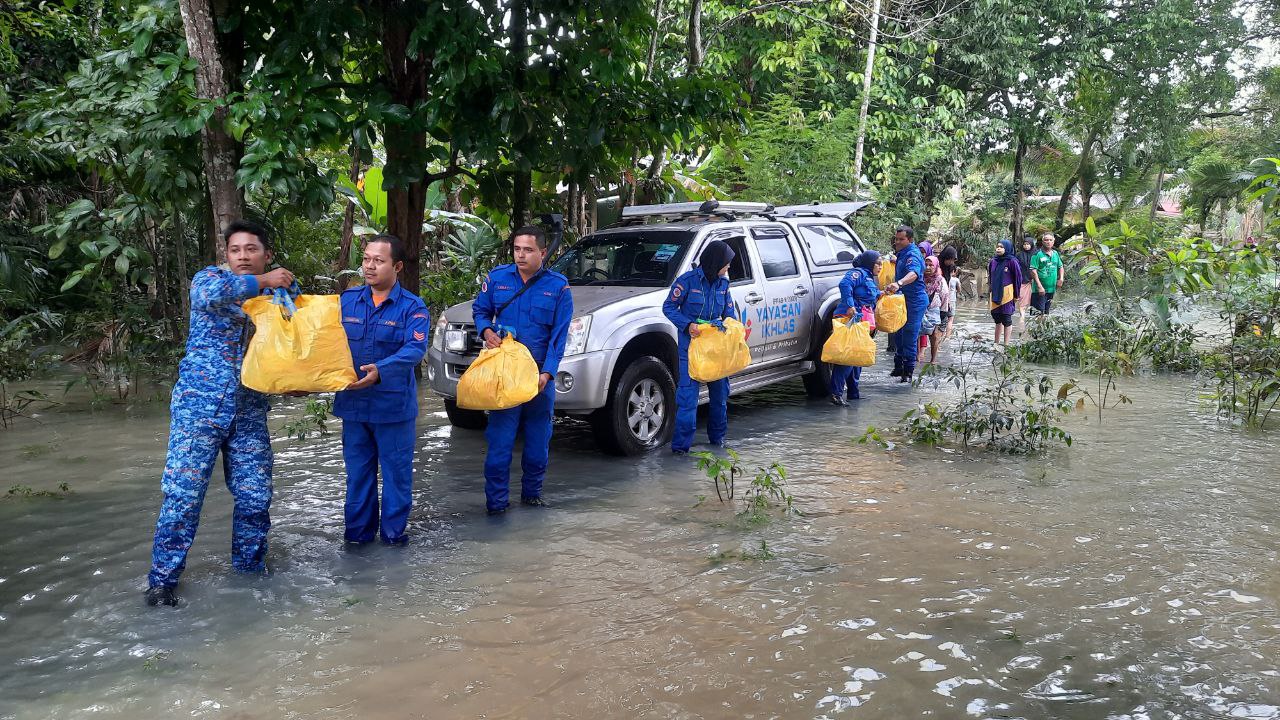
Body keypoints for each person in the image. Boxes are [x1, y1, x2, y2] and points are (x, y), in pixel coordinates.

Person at [145, 220, 296, 607]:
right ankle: (162, 581)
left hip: (248, 412)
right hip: (199, 410)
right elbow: (212, 294)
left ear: (267, 254)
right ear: (226, 255)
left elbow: (295, 342)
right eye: (235, 250)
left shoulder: (280, 295)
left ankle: (249, 577)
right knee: (182, 498)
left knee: (255, 497)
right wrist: (265, 282)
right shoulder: (210, 280)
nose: (243, 257)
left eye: (251, 250)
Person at [334, 235, 430, 545]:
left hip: (393, 410)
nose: (370, 266)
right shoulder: (346, 301)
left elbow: (415, 349)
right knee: (358, 478)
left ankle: (393, 542)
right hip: (354, 408)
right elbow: (324, 346)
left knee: (396, 478)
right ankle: (357, 544)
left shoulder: (412, 307)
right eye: (366, 259)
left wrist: (381, 371)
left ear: (397, 266)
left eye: (379, 260)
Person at [474, 226, 573, 515]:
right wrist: (486, 330)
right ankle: (496, 505)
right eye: (517, 249)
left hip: (539, 377)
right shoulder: (497, 279)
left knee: (538, 442)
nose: (521, 255)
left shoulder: (559, 286)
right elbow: (481, 311)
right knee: (499, 443)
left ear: (543, 252)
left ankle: (532, 496)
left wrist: (548, 373)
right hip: (505, 374)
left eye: (528, 250)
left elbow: (559, 336)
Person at [664, 240, 737, 453]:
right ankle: (680, 450)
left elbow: (729, 314)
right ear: (716, 262)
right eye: (727, 262)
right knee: (687, 401)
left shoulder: (724, 284)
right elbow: (668, 307)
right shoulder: (687, 281)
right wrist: (688, 325)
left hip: (716, 350)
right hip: (691, 348)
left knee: (720, 399)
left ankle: (718, 445)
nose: (729, 267)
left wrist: (733, 328)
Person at [829, 250, 881, 405]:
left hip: (861, 320)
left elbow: (870, 295)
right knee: (848, 357)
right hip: (848, 318)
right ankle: (836, 394)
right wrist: (850, 306)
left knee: (858, 356)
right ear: (870, 263)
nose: (880, 266)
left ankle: (853, 392)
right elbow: (844, 284)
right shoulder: (858, 273)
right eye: (878, 263)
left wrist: (883, 293)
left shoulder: (869, 277)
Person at [884, 225, 928, 382]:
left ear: (910, 240)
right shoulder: (902, 253)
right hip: (901, 300)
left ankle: (908, 374)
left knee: (909, 336)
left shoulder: (913, 254)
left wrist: (899, 283)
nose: (897, 242)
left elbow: (914, 273)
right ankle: (898, 368)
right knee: (898, 334)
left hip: (915, 301)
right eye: (896, 239)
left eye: (901, 239)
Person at [988, 239, 1023, 346]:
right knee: (997, 319)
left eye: (1002, 247)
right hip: (995, 294)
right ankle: (996, 343)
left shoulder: (1012, 262)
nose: (998, 248)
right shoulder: (993, 261)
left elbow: (1018, 279)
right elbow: (990, 278)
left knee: (1006, 319)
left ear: (1007, 248)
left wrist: (1016, 295)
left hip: (1007, 294)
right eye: (998, 246)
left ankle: (1006, 345)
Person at [918, 255, 949, 365]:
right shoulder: (919, 278)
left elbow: (945, 295)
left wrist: (943, 312)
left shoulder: (940, 280)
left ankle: (933, 360)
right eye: (926, 265)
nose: (928, 267)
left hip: (934, 309)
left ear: (935, 266)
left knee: (934, 336)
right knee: (918, 333)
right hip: (920, 309)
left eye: (931, 265)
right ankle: (918, 357)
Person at [1030, 233, 1064, 315]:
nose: (1048, 242)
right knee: (1037, 314)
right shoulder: (1037, 254)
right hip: (1039, 291)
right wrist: (1039, 286)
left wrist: (1061, 279)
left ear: (1053, 242)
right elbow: (1033, 270)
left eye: (1050, 240)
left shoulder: (1055, 253)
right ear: (1042, 241)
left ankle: (1044, 328)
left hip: (1051, 290)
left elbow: (1061, 266)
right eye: (1046, 240)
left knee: (1046, 313)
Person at [938, 245, 960, 342]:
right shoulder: (937, 266)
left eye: (953, 260)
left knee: (944, 320)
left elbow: (946, 285)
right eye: (950, 260)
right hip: (936, 298)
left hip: (945, 298)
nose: (952, 263)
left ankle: (941, 341)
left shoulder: (948, 269)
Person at [1014, 236, 1035, 320]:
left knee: (1033, 300)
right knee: (1021, 298)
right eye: (1025, 244)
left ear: (1031, 244)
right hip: (1022, 280)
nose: (1026, 246)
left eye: (1028, 244)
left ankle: (1033, 318)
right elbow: (1015, 266)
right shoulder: (1019, 255)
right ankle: (1022, 317)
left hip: (1034, 281)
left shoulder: (1036, 254)